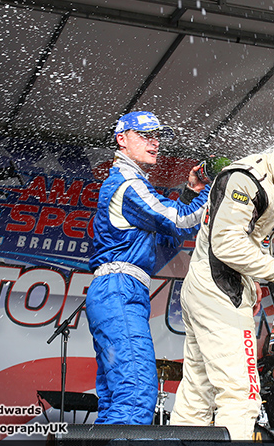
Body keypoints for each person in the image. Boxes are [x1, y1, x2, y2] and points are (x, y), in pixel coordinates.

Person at [170, 126, 274, 440]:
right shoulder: (247, 179)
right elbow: (228, 245)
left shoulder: (270, 184)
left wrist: (254, 283)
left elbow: (252, 239)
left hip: (213, 287)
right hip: (219, 293)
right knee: (241, 397)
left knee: (196, 395)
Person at [85, 111, 211, 424]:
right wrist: (214, 190)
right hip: (119, 291)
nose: (154, 143)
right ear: (121, 139)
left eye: (156, 136)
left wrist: (191, 193)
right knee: (137, 391)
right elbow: (180, 220)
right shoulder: (128, 184)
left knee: (117, 397)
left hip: (118, 292)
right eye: (144, 135)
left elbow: (171, 231)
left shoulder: (131, 184)